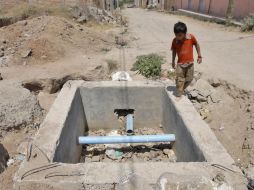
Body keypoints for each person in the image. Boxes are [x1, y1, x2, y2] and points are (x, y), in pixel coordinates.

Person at [171, 22, 202, 100]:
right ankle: (179, 94)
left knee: (189, 79)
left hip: (190, 63)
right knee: (180, 79)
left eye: (180, 35)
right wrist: (173, 61)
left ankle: (181, 88)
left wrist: (199, 56)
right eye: (176, 35)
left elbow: (197, 45)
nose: (178, 37)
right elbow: (174, 51)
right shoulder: (175, 41)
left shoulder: (191, 38)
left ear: (185, 33)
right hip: (180, 64)